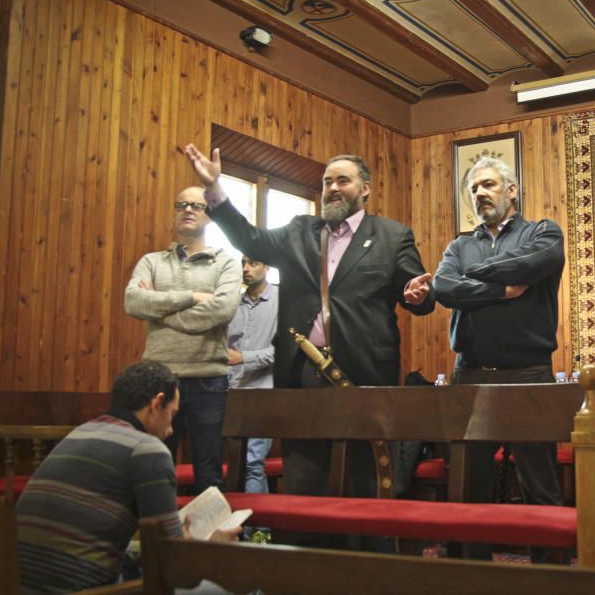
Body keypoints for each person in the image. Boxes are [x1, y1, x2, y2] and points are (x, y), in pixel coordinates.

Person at [180, 144, 435, 500]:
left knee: (365, 478)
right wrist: (215, 190)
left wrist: (416, 294)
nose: (332, 188)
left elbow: (417, 290)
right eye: (326, 181)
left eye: (342, 180)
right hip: (302, 371)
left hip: (365, 374)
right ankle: (308, 549)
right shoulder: (298, 231)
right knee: (305, 474)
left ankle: (364, 553)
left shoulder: (393, 236)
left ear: (365, 189)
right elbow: (249, 237)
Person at [432, 156, 565, 562]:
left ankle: (554, 576)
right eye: (474, 188)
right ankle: (469, 577)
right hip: (470, 375)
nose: (480, 194)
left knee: (541, 486)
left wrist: (471, 276)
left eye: (488, 185)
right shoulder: (460, 245)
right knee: (469, 484)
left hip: (528, 374)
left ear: (512, 190)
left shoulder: (542, 231)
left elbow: (534, 262)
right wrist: (499, 288)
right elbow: (442, 286)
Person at [17, 361, 241, 594]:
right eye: (172, 415)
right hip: (84, 590)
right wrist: (213, 549)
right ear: (156, 404)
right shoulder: (147, 449)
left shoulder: (79, 432)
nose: (171, 430)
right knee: (222, 588)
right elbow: (175, 566)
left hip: (17, 586)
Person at [124, 186, 241, 494]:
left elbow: (223, 309)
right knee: (154, 471)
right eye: (181, 205)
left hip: (208, 380)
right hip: (159, 379)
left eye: (196, 206)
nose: (188, 209)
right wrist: (191, 297)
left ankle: (209, 542)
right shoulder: (152, 262)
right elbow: (134, 301)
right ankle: (159, 541)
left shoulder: (225, 262)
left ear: (210, 215)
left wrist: (161, 312)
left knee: (209, 474)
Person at [227, 256, 278, 494]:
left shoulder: (281, 300)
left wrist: (243, 358)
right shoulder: (233, 303)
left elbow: (284, 352)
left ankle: (256, 531)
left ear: (267, 266)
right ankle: (249, 527)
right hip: (233, 392)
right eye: (243, 263)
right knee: (237, 464)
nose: (246, 269)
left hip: (263, 392)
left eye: (254, 263)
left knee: (253, 462)